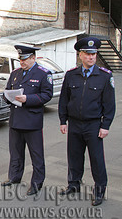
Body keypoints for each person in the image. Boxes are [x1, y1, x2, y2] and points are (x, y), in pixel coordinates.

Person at [58, 37, 115, 206]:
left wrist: (106, 126)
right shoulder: (71, 75)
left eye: (94, 54)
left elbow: (109, 105)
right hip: (75, 124)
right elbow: (63, 100)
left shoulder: (104, 76)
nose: (91, 57)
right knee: (74, 156)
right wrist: (63, 120)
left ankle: (99, 190)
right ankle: (73, 184)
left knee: (97, 159)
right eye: (88, 54)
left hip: (93, 125)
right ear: (80, 55)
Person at [1, 45, 53, 196]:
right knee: (15, 152)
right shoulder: (15, 73)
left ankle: (37, 183)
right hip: (16, 120)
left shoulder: (43, 74)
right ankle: (14, 177)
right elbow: (8, 90)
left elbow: (46, 95)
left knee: (36, 154)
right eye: (20, 59)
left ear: (33, 58)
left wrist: (27, 99)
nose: (21, 62)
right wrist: (7, 97)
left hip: (32, 121)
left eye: (24, 59)